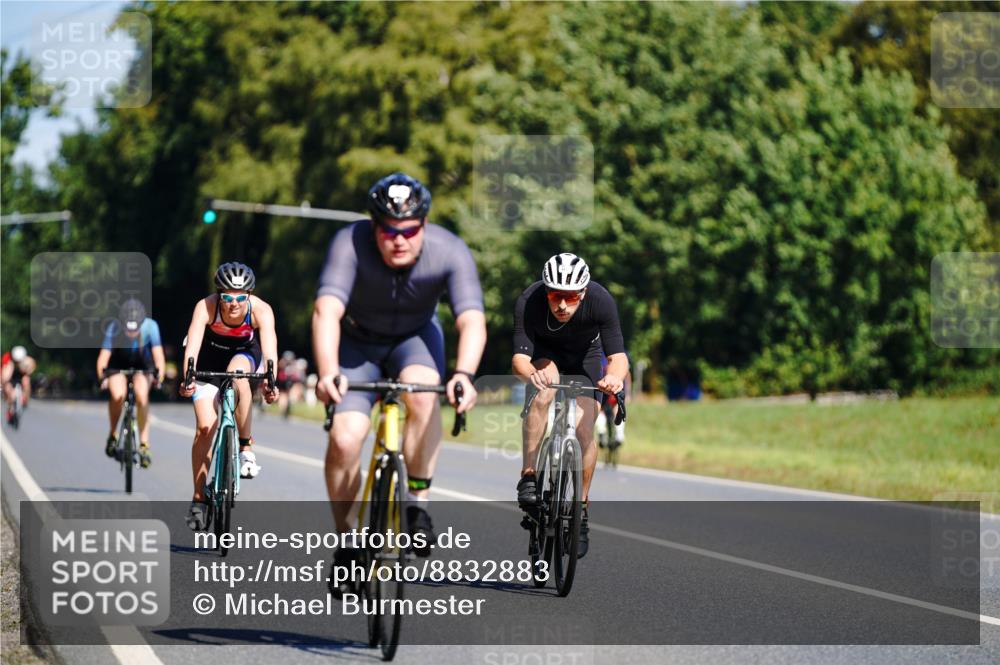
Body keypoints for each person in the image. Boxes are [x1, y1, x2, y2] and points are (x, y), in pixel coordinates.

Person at [313, 172, 486, 592]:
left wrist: (463, 374)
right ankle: (348, 544)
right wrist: (327, 370)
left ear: (423, 225)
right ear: (374, 226)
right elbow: (326, 311)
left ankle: (417, 504)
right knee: (345, 439)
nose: (399, 240)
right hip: (357, 346)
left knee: (424, 398)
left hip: (415, 340)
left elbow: (472, 320)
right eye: (388, 230)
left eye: (409, 230)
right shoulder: (348, 243)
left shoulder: (450, 250)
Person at [512, 253, 629, 558]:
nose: (562, 305)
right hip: (545, 356)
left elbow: (618, 357)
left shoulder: (601, 301)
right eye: (555, 296)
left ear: (584, 293)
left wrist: (614, 379)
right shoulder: (529, 300)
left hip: (585, 358)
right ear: (546, 291)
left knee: (584, 426)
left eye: (571, 297)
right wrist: (532, 375)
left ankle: (582, 508)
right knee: (544, 392)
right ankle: (529, 475)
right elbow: (519, 359)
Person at [179, 262, 280, 530]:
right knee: (204, 428)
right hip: (208, 359)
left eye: (240, 297)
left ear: (248, 296)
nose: (233, 303)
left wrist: (271, 382)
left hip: (244, 354)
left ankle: (246, 448)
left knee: (238, 376)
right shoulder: (206, 307)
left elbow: (270, 350)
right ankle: (199, 498)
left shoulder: (261, 310)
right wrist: (188, 377)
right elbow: (192, 345)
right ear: (219, 295)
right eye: (227, 297)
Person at [95, 299, 165, 466]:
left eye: (135, 329)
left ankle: (144, 444)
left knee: (141, 395)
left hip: (143, 365)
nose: (131, 332)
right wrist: (102, 378)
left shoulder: (151, 326)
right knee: (118, 395)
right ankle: (113, 435)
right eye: (128, 328)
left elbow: (159, 357)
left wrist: (159, 377)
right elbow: (103, 358)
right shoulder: (114, 327)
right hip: (118, 365)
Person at [2, 345, 36, 423]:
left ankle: (25, 400)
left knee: (26, 381)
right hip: (11, 378)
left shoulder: (27, 361)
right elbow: (5, 376)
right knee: (8, 389)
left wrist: (27, 371)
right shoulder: (7, 360)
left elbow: (32, 368)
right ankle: (10, 408)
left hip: (21, 377)